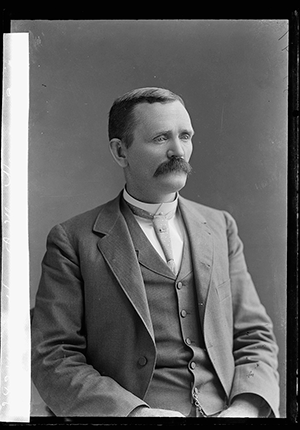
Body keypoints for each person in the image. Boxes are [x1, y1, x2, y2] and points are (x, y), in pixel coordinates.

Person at [31, 87, 280, 418]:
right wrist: (134, 415)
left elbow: (255, 335)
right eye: (161, 138)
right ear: (121, 152)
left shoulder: (220, 226)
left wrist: (245, 409)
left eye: (185, 136)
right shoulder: (73, 240)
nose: (178, 151)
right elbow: (53, 356)